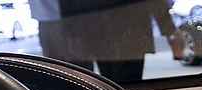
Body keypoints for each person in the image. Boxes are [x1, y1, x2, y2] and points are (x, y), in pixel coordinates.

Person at [29, 0, 181, 83]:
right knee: (119, 89)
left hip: (117, 26)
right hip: (121, 25)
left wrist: (169, 29)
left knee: (115, 89)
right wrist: (169, 30)